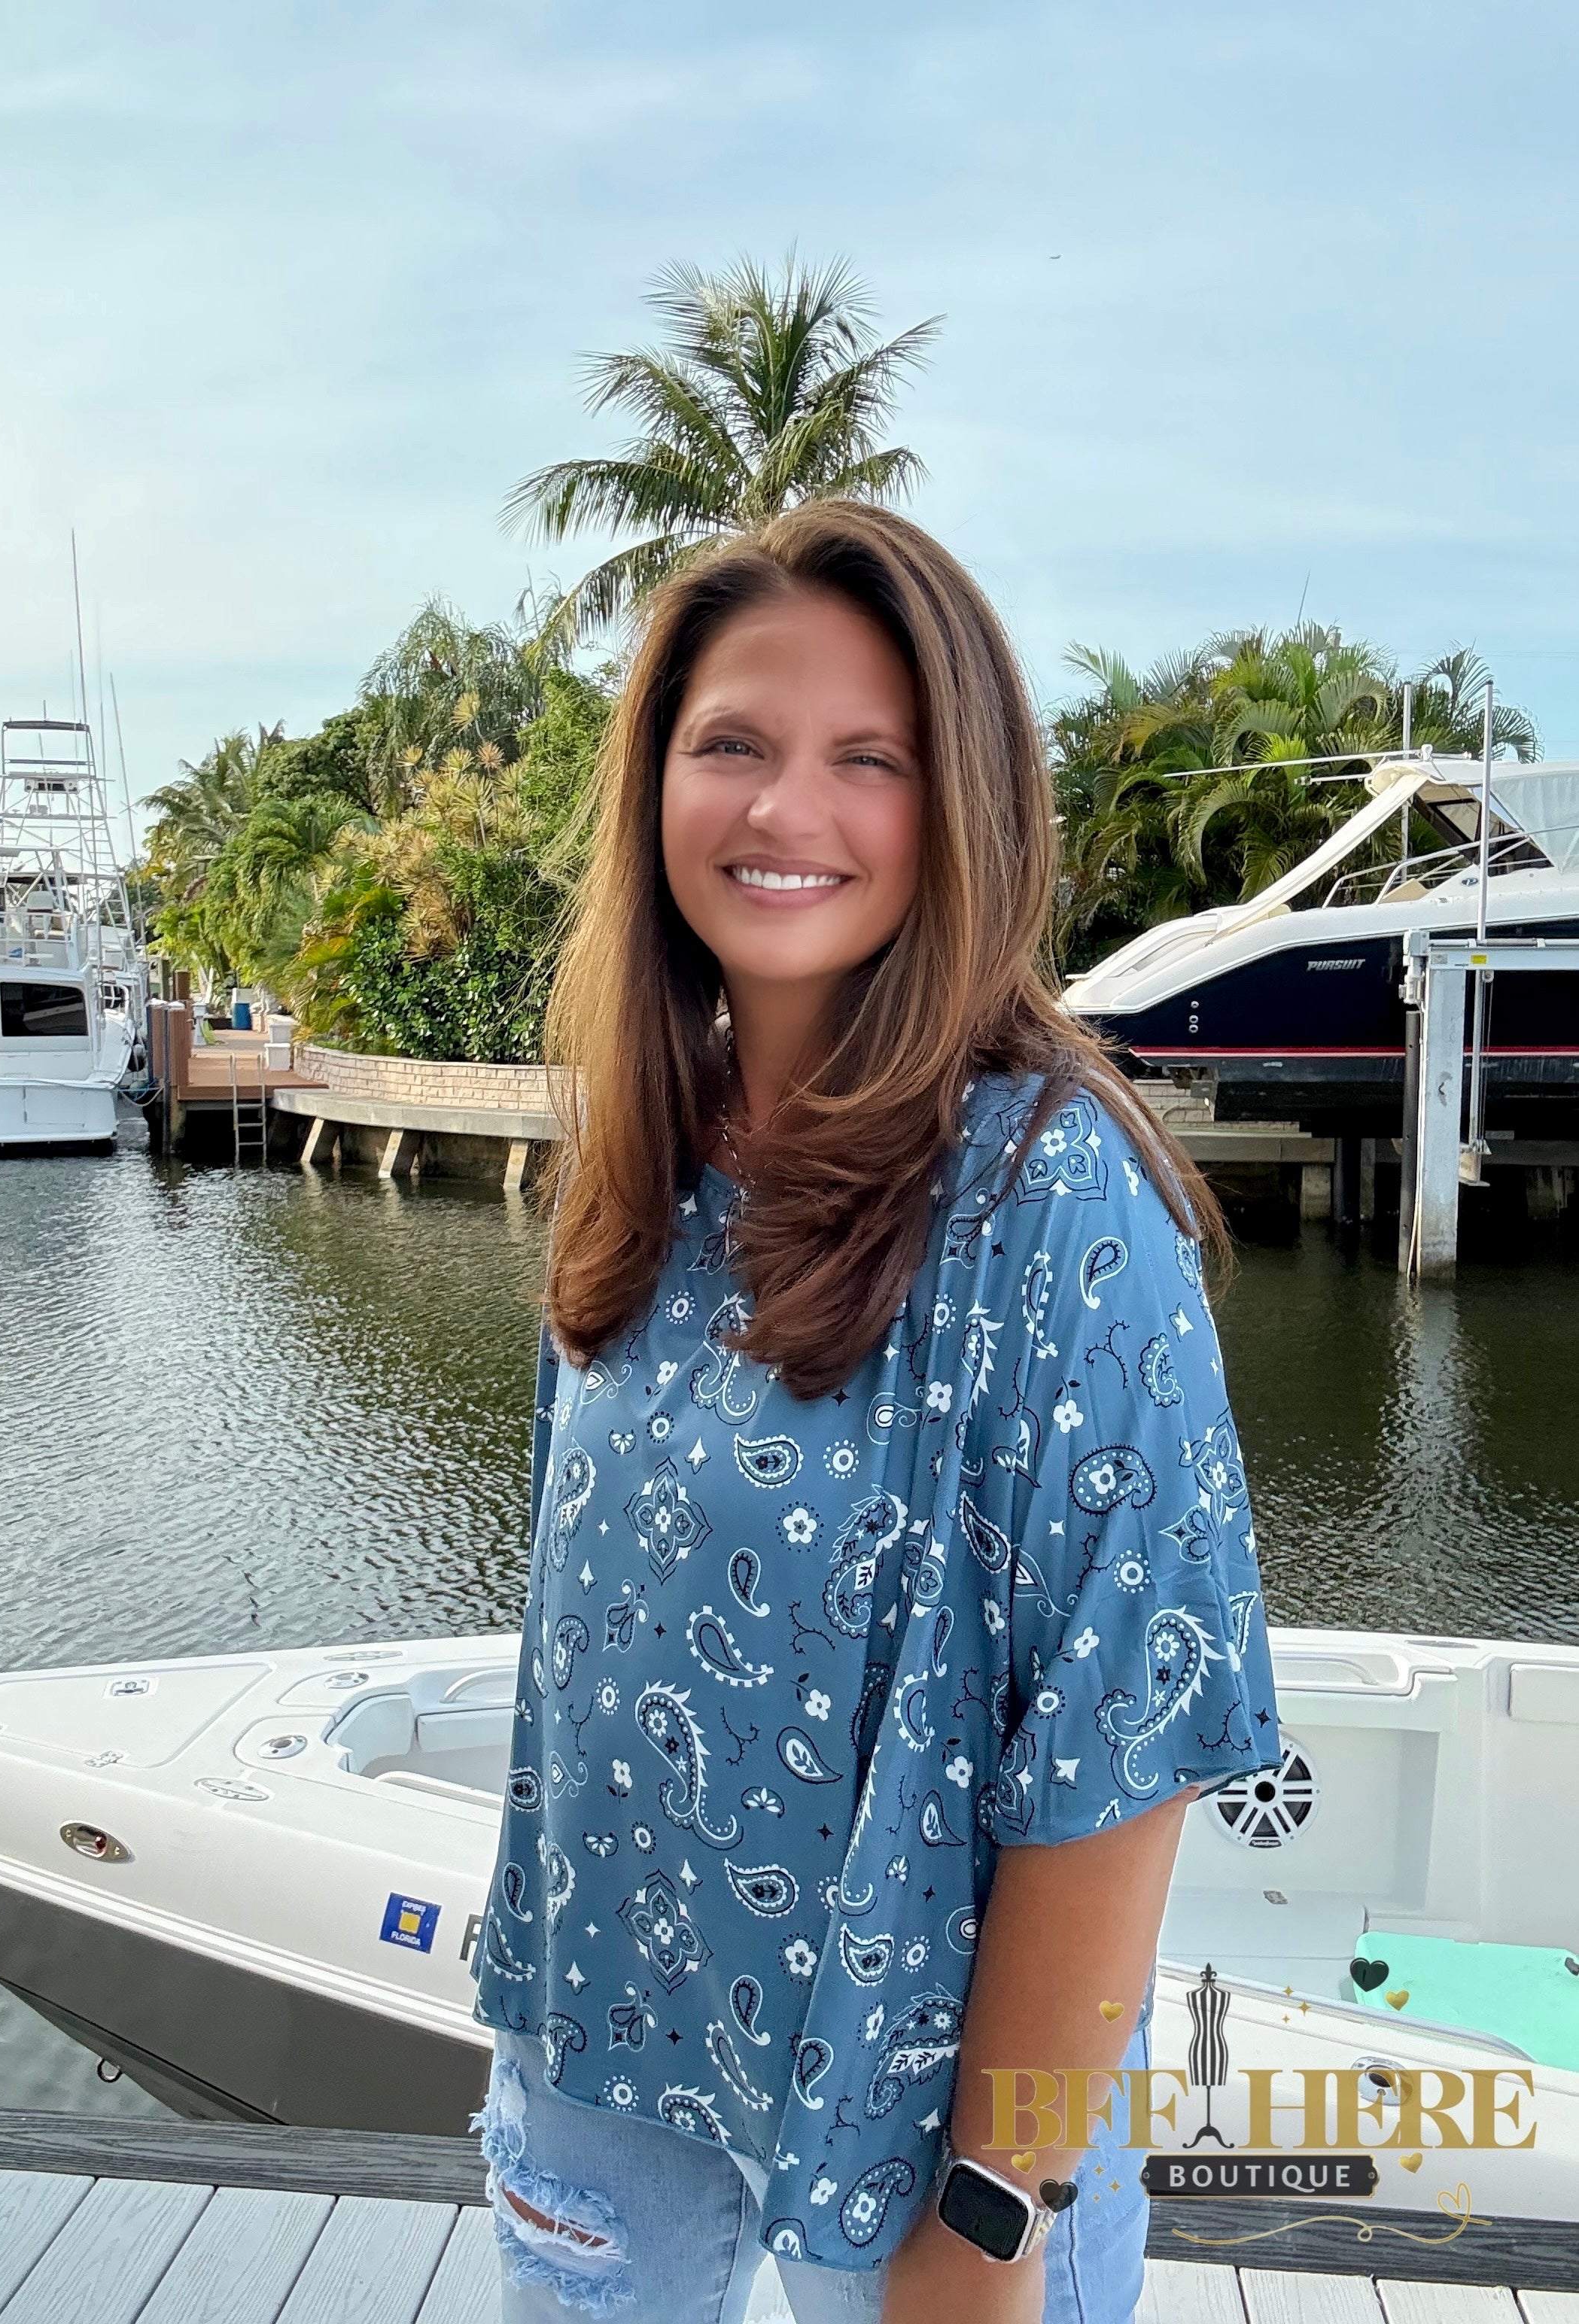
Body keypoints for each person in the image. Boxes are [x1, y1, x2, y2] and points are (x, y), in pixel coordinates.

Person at [471, 502, 1280, 2324]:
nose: (786, 811)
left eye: (870, 758)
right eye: (733, 745)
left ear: (960, 807)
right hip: (601, 2056)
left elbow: (1120, 1755)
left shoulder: (1050, 1199)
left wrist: (989, 2216)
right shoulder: (636, 1166)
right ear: (655, 785)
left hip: (929, 2138)